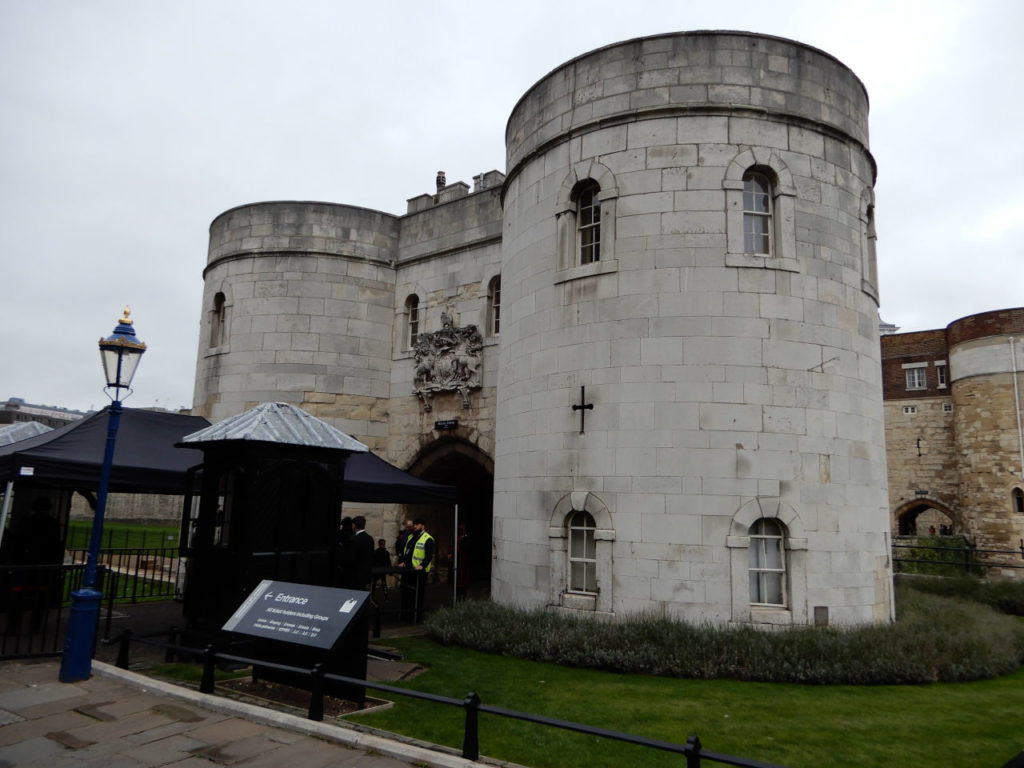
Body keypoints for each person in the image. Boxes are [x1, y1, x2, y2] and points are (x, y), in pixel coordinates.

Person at [349, 515, 374, 590]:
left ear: (354, 525)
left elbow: (352, 557)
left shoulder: (355, 539)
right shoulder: (370, 539)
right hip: (367, 573)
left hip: (356, 575)